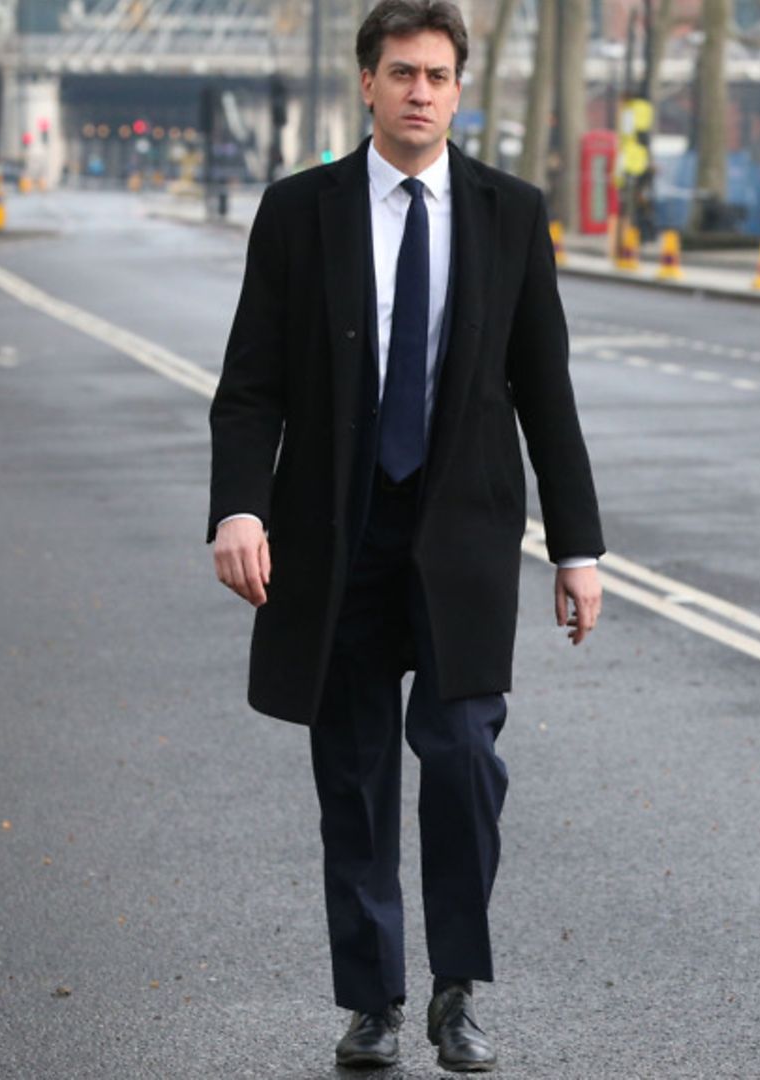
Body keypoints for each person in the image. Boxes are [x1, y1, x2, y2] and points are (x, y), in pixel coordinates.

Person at [207, 0, 603, 1070]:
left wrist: (577, 546)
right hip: (336, 536)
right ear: (368, 85)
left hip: (464, 536)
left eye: (437, 74)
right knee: (356, 770)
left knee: (465, 756)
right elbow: (250, 388)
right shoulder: (300, 214)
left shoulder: (509, 213)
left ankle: (456, 991)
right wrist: (240, 508)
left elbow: (544, 389)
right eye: (401, 73)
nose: (420, 90)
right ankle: (373, 999)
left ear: (459, 89)